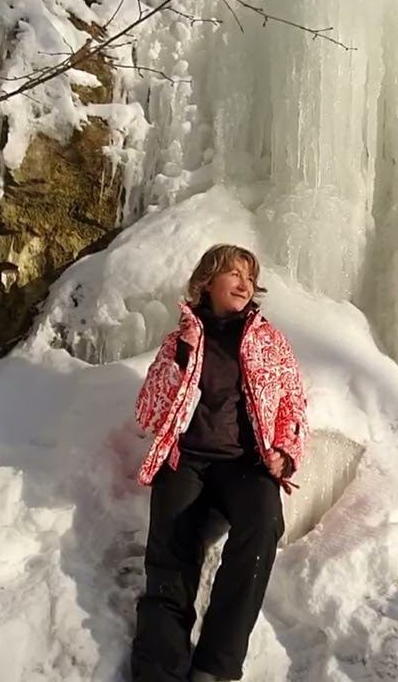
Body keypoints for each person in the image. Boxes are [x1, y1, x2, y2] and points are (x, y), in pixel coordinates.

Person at [130, 244, 308, 682]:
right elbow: (147, 412)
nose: (245, 285)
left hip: (243, 463)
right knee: (170, 560)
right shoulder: (179, 341)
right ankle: (158, 672)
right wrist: (181, 360)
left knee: (264, 524)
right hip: (185, 459)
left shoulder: (269, 341)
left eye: (250, 278)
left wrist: (285, 452)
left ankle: (215, 666)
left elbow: (293, 403)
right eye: (234, 274)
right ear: (207, 281)